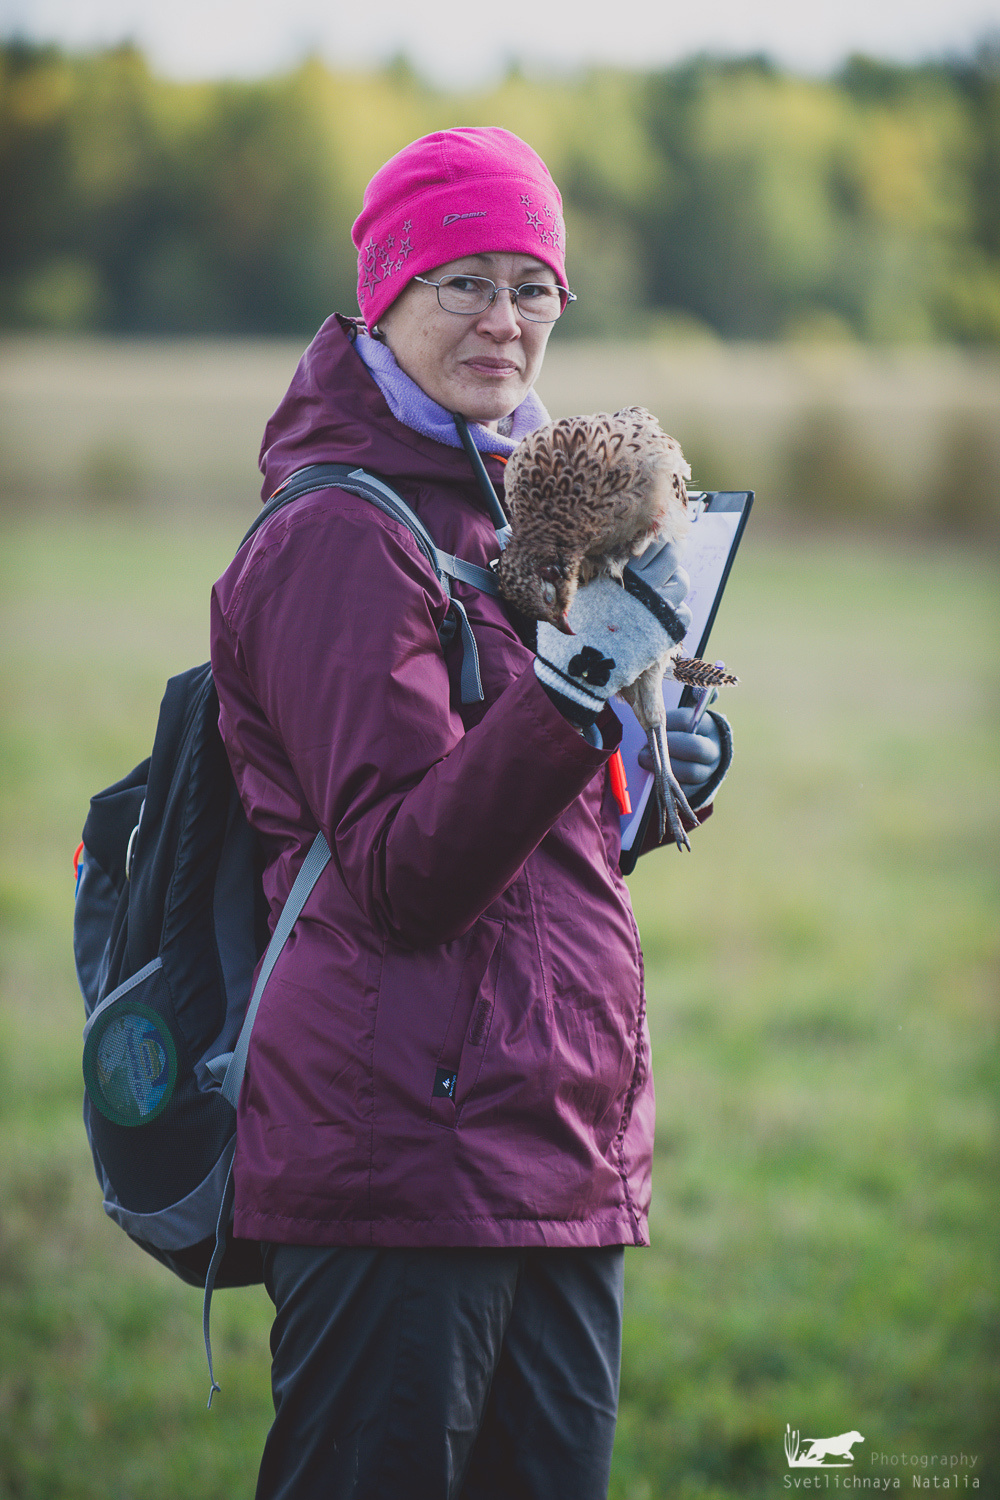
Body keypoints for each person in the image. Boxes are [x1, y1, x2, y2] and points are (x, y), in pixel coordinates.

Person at [209, 126, 732, 1500]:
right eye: (463, 283)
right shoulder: (339, 531)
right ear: (384, 293)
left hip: (554, 1145)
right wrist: (569, 698)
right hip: (400, 1159)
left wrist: (654, 766)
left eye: (532, 286)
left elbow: (532, 843)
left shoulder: (526, 505)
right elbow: (396, 873)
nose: (505, 320)